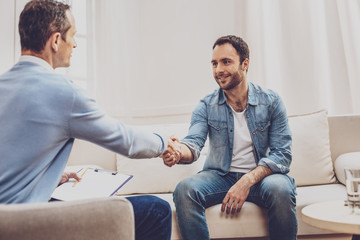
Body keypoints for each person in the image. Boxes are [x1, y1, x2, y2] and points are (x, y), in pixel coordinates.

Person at [0, 1, 178, 239]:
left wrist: (49, 179)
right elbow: (126, 141)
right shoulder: (63, 92)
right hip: (26, 225)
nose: (74, 43)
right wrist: (165, 143)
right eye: (71, 36)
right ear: (55, 41)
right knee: (157, 210)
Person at [162, 35, 297, 240]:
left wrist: (247, 181)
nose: (218, 70)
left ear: (245, 64)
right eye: (214, 63)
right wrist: (177, 151)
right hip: (220, 176)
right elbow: (193, 144)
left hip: (263, 178)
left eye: (226, 62)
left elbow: (282, 155)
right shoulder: (206, 105)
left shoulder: (271, 101)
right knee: (185, 189)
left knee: (280, 188)